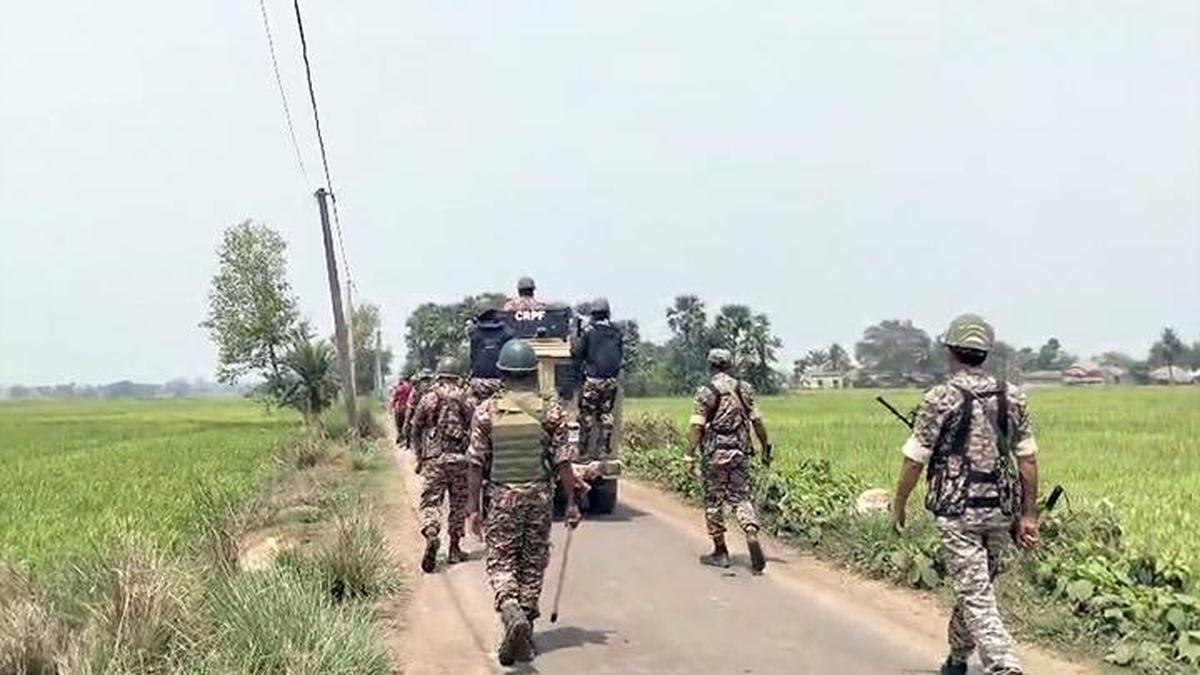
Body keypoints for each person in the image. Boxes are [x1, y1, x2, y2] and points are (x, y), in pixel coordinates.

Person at [891, 314, 1040, 675]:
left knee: (975, 591)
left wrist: (898, 505)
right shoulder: (1014, 396)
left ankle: (1004, 664)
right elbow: (1028, 460)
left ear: (951, 352)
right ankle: (957, 660)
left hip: (958, 512)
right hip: (1001, 511)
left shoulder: (940, 397)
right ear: (985, 353)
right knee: (976, 584)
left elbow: (915, 461)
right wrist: (1028, 514)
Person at [466, 339, 581, 666]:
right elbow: (563, 464)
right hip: (539, 498)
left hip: (501, 497)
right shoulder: (552, 411)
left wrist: (473, 509)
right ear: (533, 374)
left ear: (502, 373)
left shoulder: (487, 411)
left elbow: (475, 463)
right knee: (532, 562)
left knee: (502, 562)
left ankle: (510, 608)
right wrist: (572, 502)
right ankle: (525, 627)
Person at [685, 348, 773, 573]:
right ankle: (751, 530)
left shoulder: (706, 392)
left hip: (715, 456)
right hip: (740, 453)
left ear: (711, 366)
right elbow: (757, 421)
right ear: (730, 365)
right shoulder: (744, 389)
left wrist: (690, 455)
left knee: (714, 502)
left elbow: (697, 426)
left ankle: (721, 551)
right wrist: (765, 447)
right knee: (741, 498)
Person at [408, 358, 474, 572]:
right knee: (458, 505)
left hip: (434, 459)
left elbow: (415, 428)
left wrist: (419, 457)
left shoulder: (428, 398)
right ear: (457, 375)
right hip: (459, 459)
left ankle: (431, 532)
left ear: (439, 374)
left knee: (431, 502)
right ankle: (454, 550)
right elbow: (476, 427)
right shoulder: (465, 398)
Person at [571, 297, 623, 454]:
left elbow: (577, 353)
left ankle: (584, 447)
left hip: (594, 380)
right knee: (606, 413)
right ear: (608, 314)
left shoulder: (589, 332)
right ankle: (605, 444)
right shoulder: (616, 332)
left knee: (586, 413)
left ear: (593, 314)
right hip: (611, 381)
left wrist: (575, 337)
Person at [404, 370, 433, 448]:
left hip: (422, 409)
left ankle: (417, 449)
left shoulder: (424, 387)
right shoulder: (419, 387)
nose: (425, 382)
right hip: (420, 408)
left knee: (414, 428)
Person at [389, 378, 413, 445]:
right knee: (406, 423)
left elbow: (394, 399)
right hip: (407, 408)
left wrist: (391, 409)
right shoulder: (409, 388)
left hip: (399, 408)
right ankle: (406, 439)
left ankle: (400, 437)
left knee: (399, 424)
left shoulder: (398, 389)